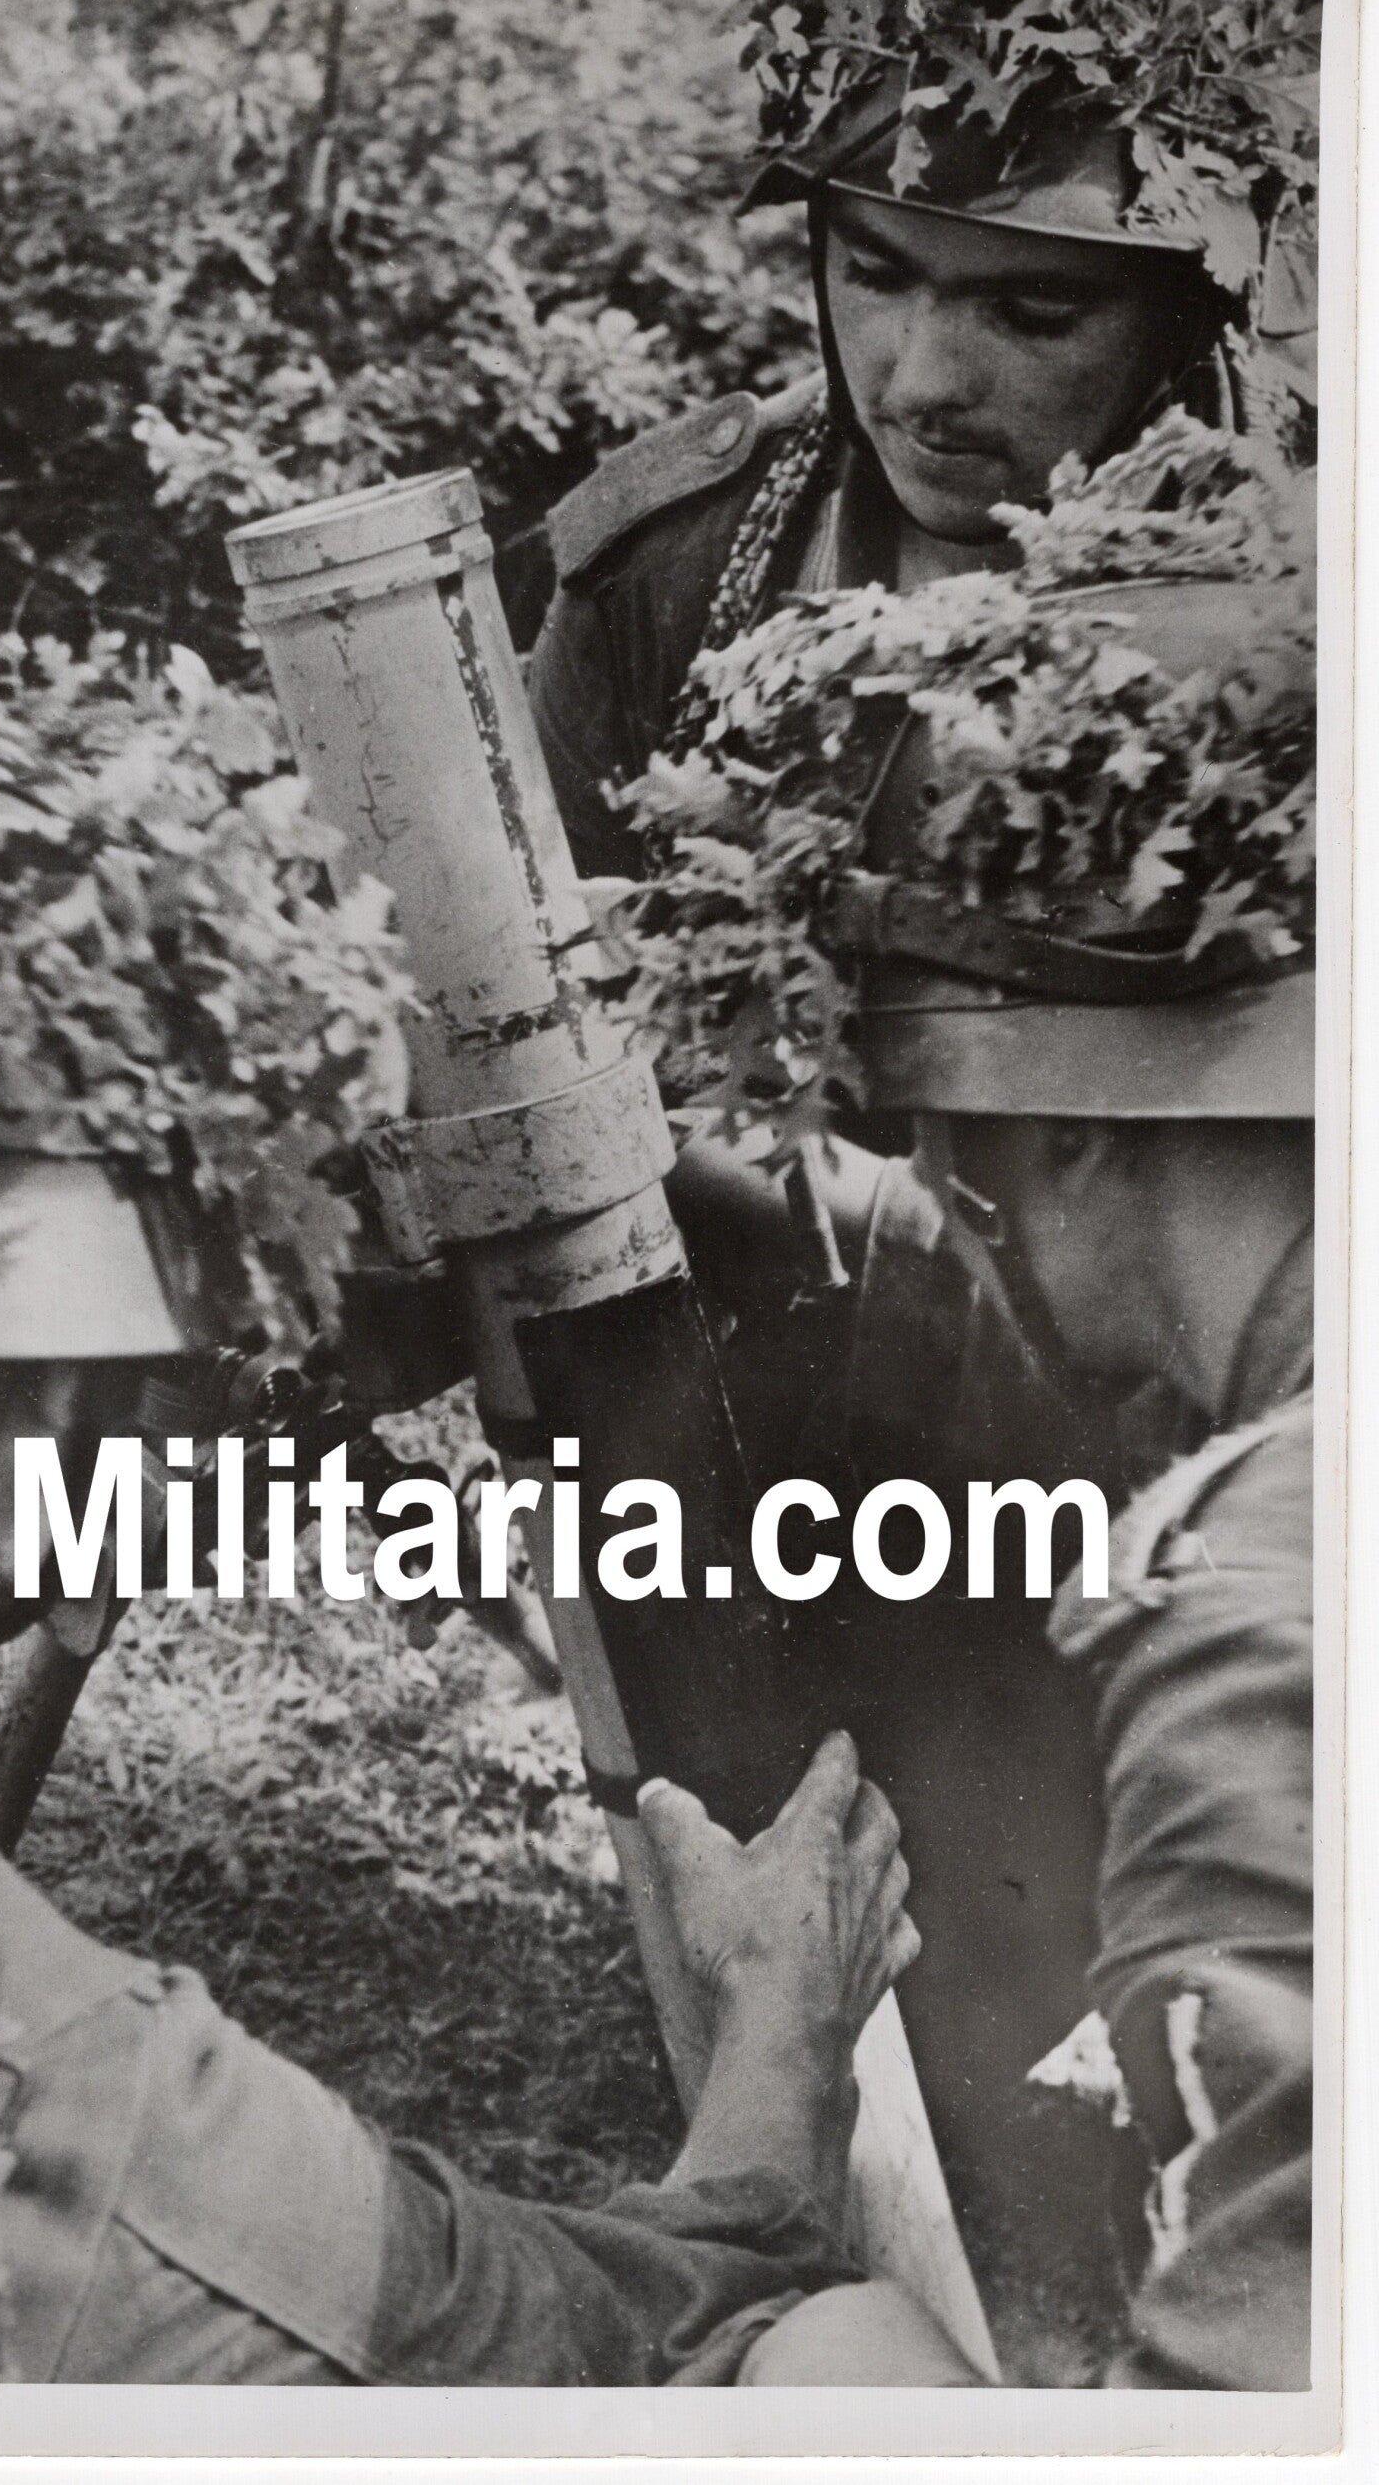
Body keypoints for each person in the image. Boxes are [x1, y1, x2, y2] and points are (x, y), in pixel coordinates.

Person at [0, 766, 973, 2386]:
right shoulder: (46, 2065)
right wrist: (780, 2024)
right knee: (840, 2356)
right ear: (66, 1386)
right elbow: (614, 2328)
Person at [630, 550, 1317, 2388]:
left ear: (1066, 1134)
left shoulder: (1261, 1607)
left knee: (805, 2356)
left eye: (937, 1131)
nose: (936, 1189)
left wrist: (767, 2085)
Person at [528, 0, 1317, 883]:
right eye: (873, 273)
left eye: (1032, 314)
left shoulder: (1329, 559)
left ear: (1188, 322)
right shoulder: (660, 574)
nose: (919, 386)